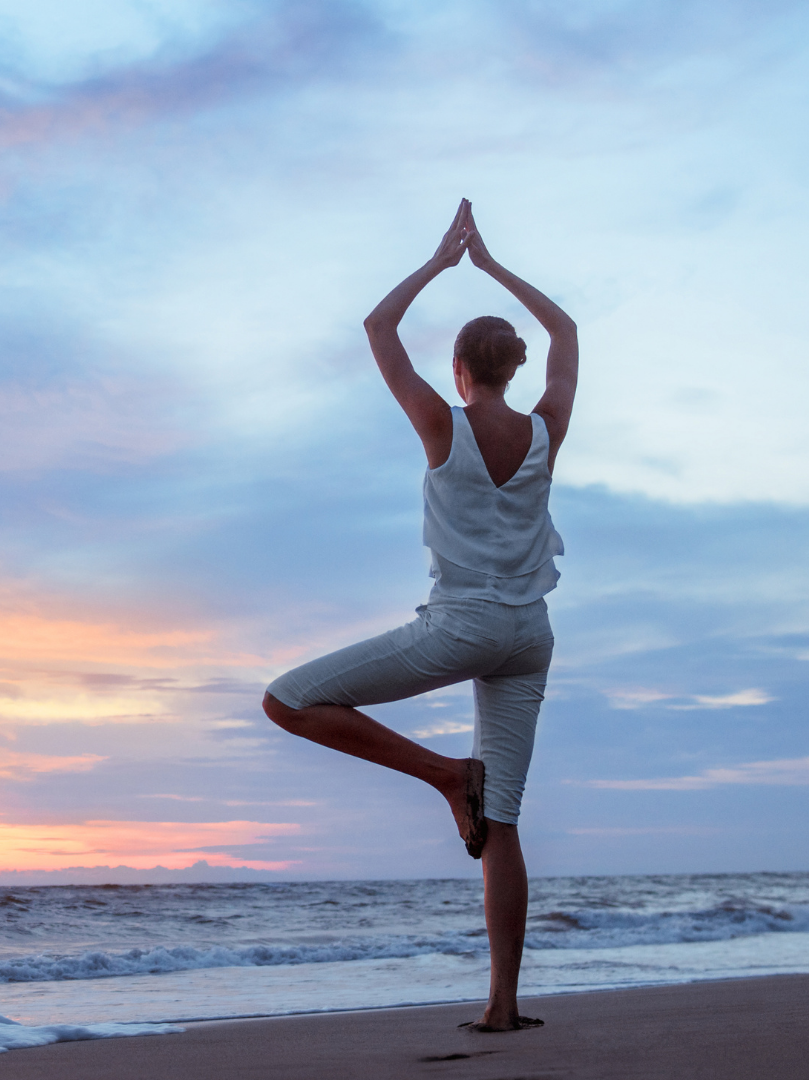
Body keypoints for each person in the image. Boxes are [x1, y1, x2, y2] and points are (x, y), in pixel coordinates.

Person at [262, 199, 578, 1031]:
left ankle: (445, 776)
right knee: (502, 820)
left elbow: (377, 326)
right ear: (513, 366)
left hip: (464, 624)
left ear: (461, 369)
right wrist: (497, 266)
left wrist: (445, 260)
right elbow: (569, 330)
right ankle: (503, 1008)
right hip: (531, 636)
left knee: (286, 699)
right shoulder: (547, 428)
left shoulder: (443, 423)